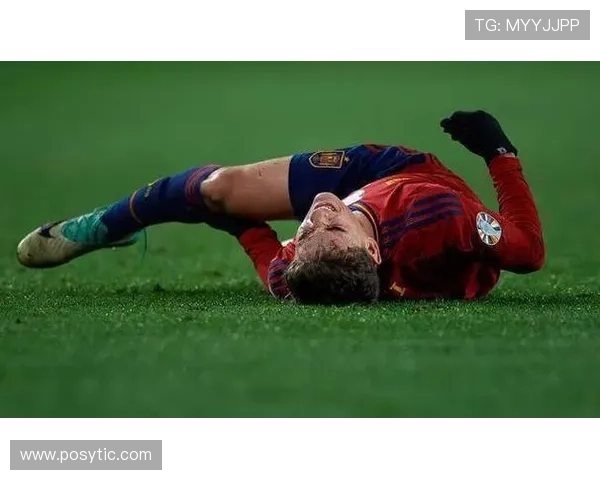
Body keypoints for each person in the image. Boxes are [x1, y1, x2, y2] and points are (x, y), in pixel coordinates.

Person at [17, 110, 545, 304]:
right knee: (225, 190)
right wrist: (499, 153)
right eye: (328, 228)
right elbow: (530, 250)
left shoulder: (295, 272)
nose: (316, 215)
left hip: (362, 199)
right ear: (371, 251)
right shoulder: (443, 216)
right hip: (400, 173)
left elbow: (252, 236)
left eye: (304, 233)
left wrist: (229, 217)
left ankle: (105, 226)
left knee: (217, 190)